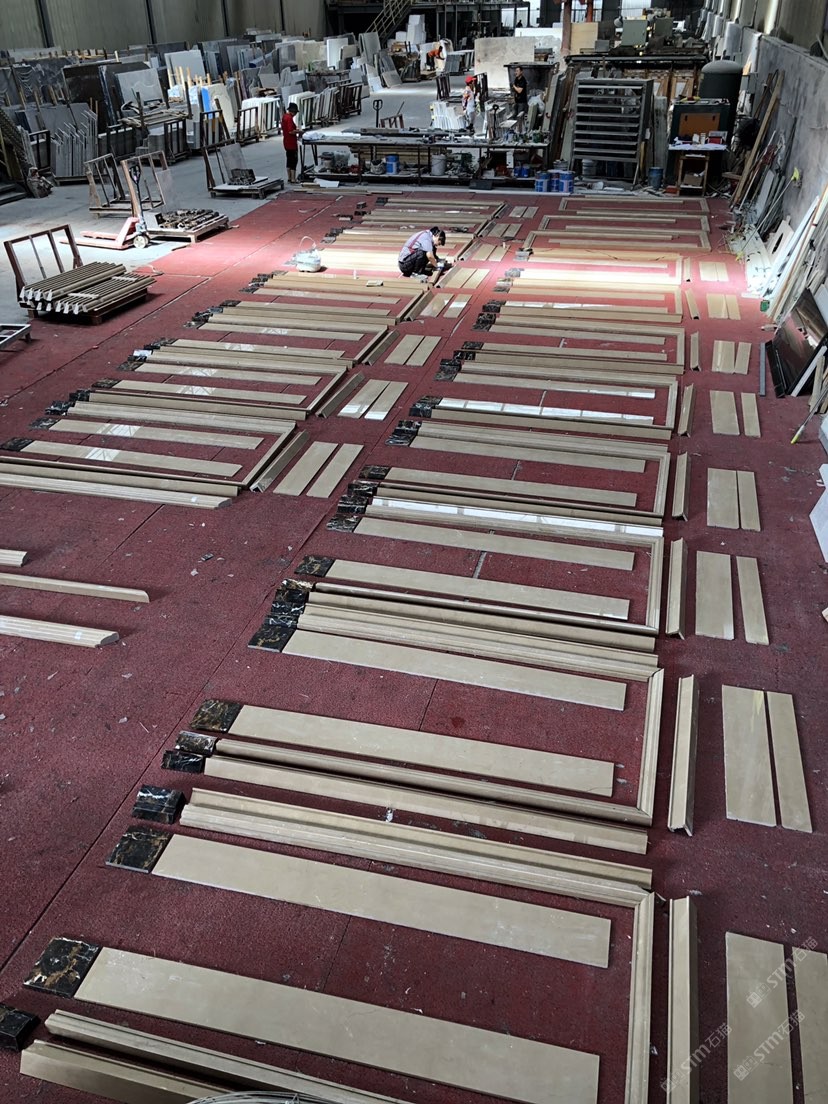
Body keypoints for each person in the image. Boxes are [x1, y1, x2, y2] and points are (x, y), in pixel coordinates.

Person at [281, 103, 302, 184]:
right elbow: (290, 131)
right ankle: (293, 178)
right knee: (294, 160)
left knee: (289, 159)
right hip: (291, 142)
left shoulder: (284, 117)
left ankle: (289, 178)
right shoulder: (289, 118)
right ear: (293, 112)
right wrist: (299, 131)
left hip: (286, 141)